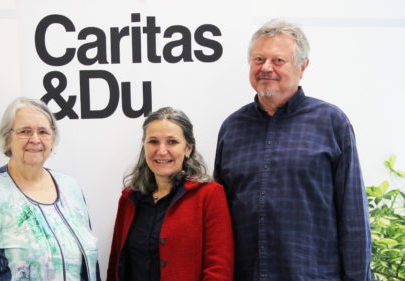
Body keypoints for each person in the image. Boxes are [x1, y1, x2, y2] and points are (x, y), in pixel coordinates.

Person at [214, 19, 371, 281]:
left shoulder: (331, 123)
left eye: (278, 61)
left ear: (302, 66)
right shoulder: (232, 128)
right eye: (258, 59)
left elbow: (353, 216)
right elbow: (218, 221)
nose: (266, 68)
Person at [0, 97, 100, 281]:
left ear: (53, 138)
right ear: (8, 139)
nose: (35, 139)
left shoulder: (71, 188)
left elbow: (91, 266)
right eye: (25, 131)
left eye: (43, 132)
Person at [107, 107, 234, 281]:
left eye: (172, 142)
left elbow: (219, 270)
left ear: (188, 149)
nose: (161, 150)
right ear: (144, 147)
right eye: (153, 141)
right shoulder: (129, 198)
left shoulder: (209, 195)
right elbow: (116, 265)